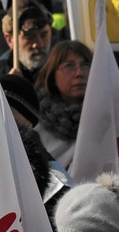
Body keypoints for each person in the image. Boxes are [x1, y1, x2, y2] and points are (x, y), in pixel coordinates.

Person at [33, 40, 94, 169]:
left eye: (85, 65)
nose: (79, 73)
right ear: (52, 76)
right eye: (69, 67)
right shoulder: (36, 127)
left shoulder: (115, 116)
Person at [0, 1, 54, 82]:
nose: (39, 44)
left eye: (44, 35)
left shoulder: (59, 66)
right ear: (10, 40)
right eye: (30, 37)